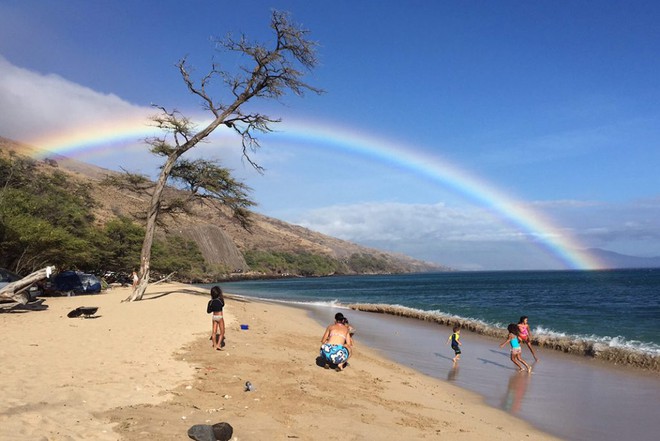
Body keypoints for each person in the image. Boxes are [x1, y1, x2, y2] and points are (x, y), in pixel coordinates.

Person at [207, 286, 225, 351]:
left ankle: (214, 345)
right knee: (222, 332)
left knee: (214, 332)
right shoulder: (220, 300)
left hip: (214, 317)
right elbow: (222, 305)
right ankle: (218, 344)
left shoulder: (210, 302)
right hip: (220, 317)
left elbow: (208, 311)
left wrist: (212, 308)